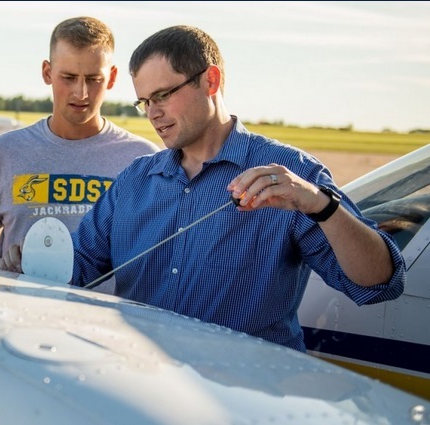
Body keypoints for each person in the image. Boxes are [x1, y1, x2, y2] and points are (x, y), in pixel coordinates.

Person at [58, 25, 404, 351]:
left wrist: (321, 205)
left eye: (163, 95)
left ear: (210, 80)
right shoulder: (135, 180)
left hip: (245, 400)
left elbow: (378, 284)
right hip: (145, 391)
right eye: (145, 101)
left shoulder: (293, 174)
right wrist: (32, 262)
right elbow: (77, 268)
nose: (153, 113)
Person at [0, 16, 160, 269]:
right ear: (47, 72)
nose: (81, 92)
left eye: (93, 79)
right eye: (68, 77)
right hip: (16, 308)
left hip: (103, 310)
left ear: (112, 77)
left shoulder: (142, 159)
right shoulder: (4, 152)